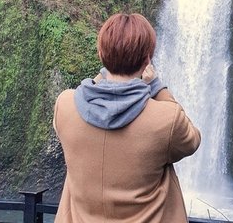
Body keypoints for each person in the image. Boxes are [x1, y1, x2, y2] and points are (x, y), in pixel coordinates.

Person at [53, 13, 201, 223]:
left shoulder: (65, 106)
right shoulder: (167, 119)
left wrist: (106, 71)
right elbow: (192, 140)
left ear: (100, 53)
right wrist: (157, 86)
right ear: (147, 59)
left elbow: (86, 94)